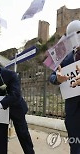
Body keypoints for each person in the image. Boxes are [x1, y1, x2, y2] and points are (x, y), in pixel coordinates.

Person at [49, 20, 80, 154]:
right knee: (75, 143)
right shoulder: (62, 54)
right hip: (72, 109)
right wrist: (57, 78)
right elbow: (51, 76)